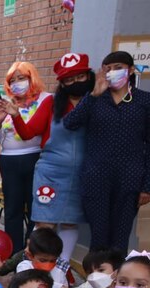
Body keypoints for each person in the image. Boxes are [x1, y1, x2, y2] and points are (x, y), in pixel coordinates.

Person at [0, 54, 92, 260]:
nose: (74, 83)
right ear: (62, 83)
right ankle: (38, 266)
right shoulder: (52, 102)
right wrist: (15, 115)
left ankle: (61, 267)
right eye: (68, 79)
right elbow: (29, 132)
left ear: (89, 76)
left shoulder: (97, 102)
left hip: (81, 173)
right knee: (43, 222)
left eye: (79, 77)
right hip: (51, 172)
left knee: (70, 221)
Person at [64, 51, 150, 252]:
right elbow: (70, 123)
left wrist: (147, 186)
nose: (112, 72)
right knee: (99, 236)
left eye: (117, 67)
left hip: (129, 178)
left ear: (130, 70)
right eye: (107, 69)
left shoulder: (144, 101)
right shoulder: (95, 99)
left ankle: (117, 280)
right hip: (97, 177)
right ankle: (97, 279)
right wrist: (93, 95)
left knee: (120, 237)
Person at [0, 61, 51, 249]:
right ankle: (14, 252)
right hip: (9, 160)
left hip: (35, 158)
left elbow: (36, 130)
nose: (17, 82)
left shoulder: (45, 99)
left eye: (21, 78)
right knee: (12, 210)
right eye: (13, 80)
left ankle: (34, 249)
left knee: (36, 208)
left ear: (31, 78)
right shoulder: (5, 102)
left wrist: (16, 115)